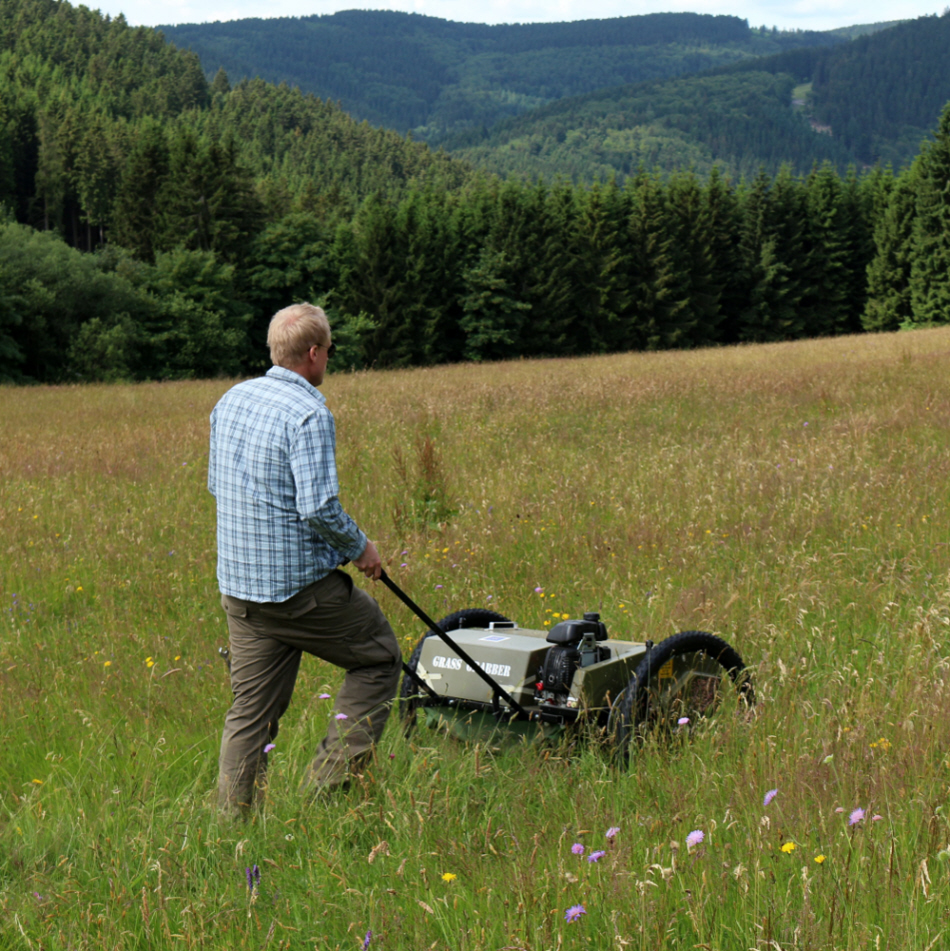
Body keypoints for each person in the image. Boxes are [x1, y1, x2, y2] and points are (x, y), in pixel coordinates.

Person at [208, 302, 401, 814]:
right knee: (380, 658)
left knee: (250, 712)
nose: (328, 360)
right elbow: (317, 507)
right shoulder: (309, 412)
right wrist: (361, 549)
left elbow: (217, 486)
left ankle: (230, 824)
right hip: (298, 594)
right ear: (313, 354)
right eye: (329, 351)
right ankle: (326, 792)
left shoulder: (231, 399)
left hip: (240, 591)